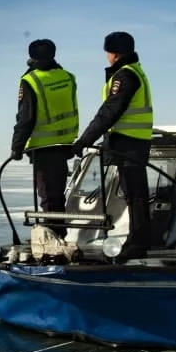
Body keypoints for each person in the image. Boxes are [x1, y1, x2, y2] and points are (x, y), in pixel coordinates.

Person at [71, 31, 154, 260]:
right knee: (134, 193)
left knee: (135, 194)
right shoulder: (134, 71)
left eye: (108, 51)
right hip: (133, 141)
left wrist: (84, 141)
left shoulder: (125, 76)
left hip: (128, 142)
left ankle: (138, 242)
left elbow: (109, 112)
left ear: (114, 53)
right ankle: (139, 239)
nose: (106, 56)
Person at [10, 38, 79, 237]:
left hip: (43, 146)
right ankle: (59, 234)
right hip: (64, 144)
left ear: (31, 57)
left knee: (48, 198)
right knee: (56, 197)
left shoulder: (31, 80)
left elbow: (26, 117)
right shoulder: (67, 77)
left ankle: (53, 241)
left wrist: (17, 146)